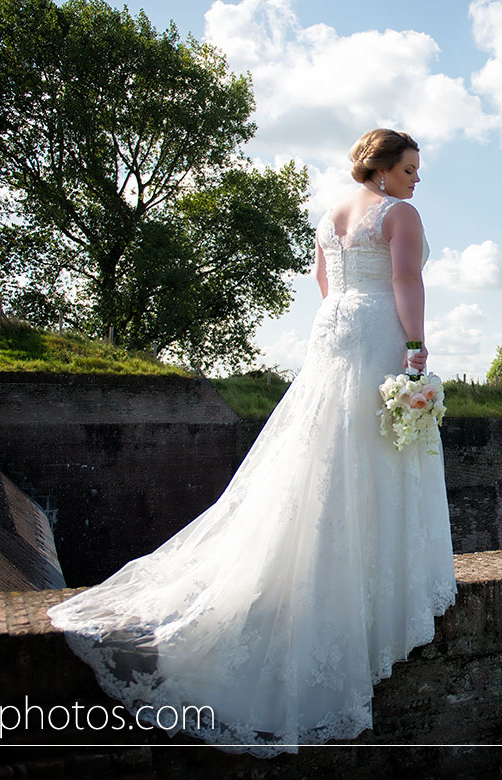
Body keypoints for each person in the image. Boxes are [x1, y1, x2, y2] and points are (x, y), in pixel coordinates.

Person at [47, 129, 457, 755]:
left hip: (332, 330)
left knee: (323, 446)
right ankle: (371, 579)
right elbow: (407, 281)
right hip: (376, 328)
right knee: (378, 443)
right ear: (380, 170)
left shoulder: (331, 214)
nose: (416, 179)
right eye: (408, 168)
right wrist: (415, 347)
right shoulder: (399, 213)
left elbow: (324, 281)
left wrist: (344, 319)